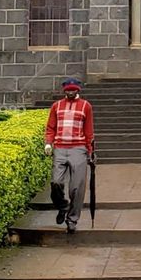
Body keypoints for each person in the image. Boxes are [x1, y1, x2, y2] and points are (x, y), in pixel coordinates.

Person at [44, 78, 95, 234]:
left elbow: (89, 131)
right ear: (64, 91)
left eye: (73, 90)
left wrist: (91, 152)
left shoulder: (86, 106)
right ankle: (62, 206)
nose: (70, 92)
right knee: (56, 182)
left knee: (76, 188)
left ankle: (72, 219)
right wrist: (48, 143)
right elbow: (51, 127)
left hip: (78, 149)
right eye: (67, 90)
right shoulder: (56, 106)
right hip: (60, 147)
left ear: (78, 90)